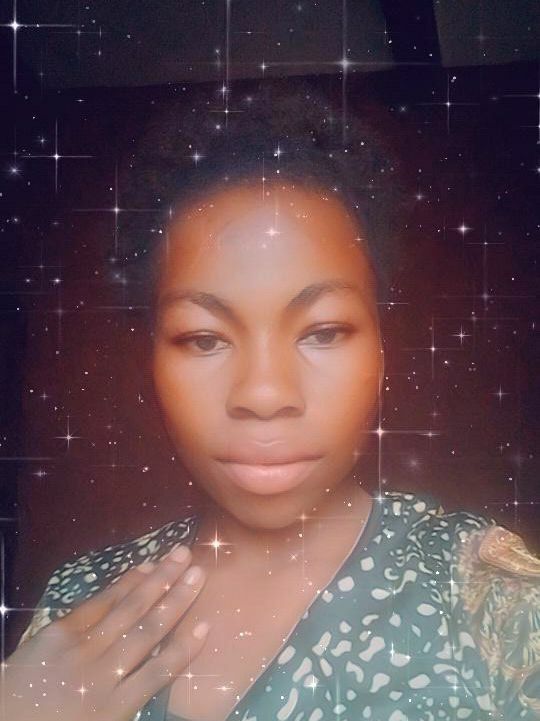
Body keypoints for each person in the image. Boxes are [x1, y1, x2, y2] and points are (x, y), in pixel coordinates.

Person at [3, 85, 539, 721]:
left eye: (323, 332)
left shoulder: (486, 598)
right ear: (151, 359)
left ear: (381, 347)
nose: (264, 395)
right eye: (204, 338)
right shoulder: (78, 603)